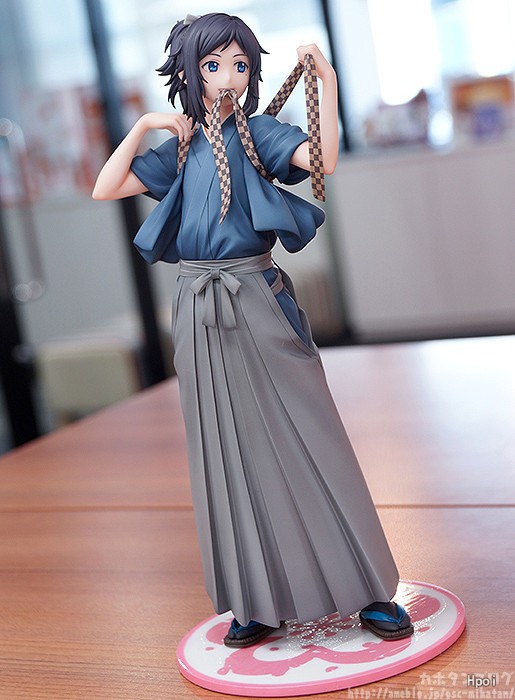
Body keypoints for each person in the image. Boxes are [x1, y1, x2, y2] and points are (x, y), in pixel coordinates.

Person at [93, 12, 413, 648]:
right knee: (223, 451)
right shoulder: (179, 148)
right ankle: (255, 599)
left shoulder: (260, 133)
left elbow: (324, 159)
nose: (228, 76)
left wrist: (326, 80)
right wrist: (145, 125)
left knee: (311, 434)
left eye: (240, 64)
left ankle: (370, 589)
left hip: (257, 296)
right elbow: (107, 187)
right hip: (196, 306)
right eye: (213, 65)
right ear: (190, 72)